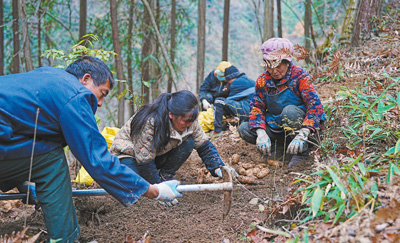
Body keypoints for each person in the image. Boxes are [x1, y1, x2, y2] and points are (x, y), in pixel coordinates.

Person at [0, 56, 182, 243]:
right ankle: (65, 239)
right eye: (102, 93)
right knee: (52, 162)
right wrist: (153, 190)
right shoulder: (74, 94)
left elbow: (22, 133)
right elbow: (97, 160)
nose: (101, 102)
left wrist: (22, 182)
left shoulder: (49, 76)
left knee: (46, 151)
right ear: (85, 79)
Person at [110, 90, 235, 189]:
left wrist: (219, 168)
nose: (189, 125)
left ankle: (165, 178)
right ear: (171, 114)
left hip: (155, 154)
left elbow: (204, 146)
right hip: (128, 156)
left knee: (189, 142)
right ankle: (157, 183)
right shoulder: (150, 122)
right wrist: (158, 190)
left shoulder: (190, 121)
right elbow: (145, 161)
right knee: (133, 183)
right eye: (186, 121)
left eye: (192, 121)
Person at [238, 38, 326, 167]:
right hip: (277, 126)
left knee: (289, 111)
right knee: (244, 129)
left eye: (278, 66)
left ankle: (302, 151)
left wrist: (304, 132)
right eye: (269, 66)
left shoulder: (300, 76)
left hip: (302, 126)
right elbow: (257, 107)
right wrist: (260, 132)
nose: (274, 71)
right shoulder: (262, 81)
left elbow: (315, 106)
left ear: (287, 63)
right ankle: (278, 147)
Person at [212, 65, 255, 135]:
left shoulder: (235, 83)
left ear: (230, 78)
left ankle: (217, 130)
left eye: (228, 81)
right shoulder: (249, 80)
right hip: (254, 108)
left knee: (218, 101)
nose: (228, 83)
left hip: (247, 109)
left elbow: (230, 100)